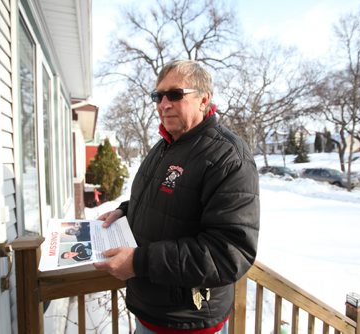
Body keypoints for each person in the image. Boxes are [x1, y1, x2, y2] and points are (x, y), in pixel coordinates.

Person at [94, 60, 260, 334]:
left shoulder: (227, 157)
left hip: (188, 321)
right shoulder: (165, 146)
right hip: (150, 311)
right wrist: (125, 210)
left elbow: (229, 253)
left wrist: (139, 262)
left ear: (204, 99)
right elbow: (162, 201)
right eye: (157, 96)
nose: (163, 104)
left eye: (174, 94)